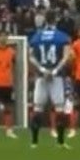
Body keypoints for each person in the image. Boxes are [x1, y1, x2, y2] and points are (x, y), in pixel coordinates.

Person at [29, 11, 74, 149]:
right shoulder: (62, 37)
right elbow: (66, 57)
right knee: (59, 108)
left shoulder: (37, 36)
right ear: (56, 20)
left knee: (38, 108)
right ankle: (60, 142)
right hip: (57, 77)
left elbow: (31, 56)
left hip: (41, 77)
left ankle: (34, 142)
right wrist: (54, 71)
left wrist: (43, 70)